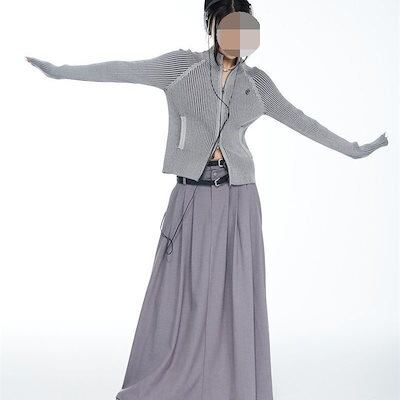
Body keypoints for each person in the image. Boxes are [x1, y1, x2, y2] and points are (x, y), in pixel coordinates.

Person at [25, 1, 389, 399]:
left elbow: (299, 119)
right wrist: (62, 71)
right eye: (225, 25)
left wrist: (353, 149)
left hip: (238, 199)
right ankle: (176, 373)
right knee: (183, 288)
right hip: (191, 194)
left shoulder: (257, 83)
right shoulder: (181, 67)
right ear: (211, 26)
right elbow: (124, 70)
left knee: (235, 291)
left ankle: (228, 382)